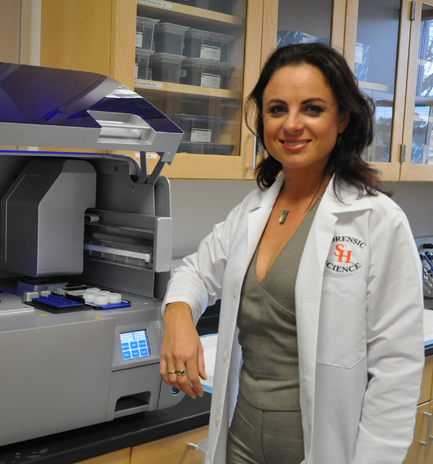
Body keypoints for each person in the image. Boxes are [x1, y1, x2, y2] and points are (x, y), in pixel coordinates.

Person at [160, 42, 424, 464]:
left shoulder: (374, 220)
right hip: (241, 442)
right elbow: (195, 270)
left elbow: (396, 369)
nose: (292, 124)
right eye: (277, 108)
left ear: (342, 118)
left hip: (324, 450)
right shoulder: (252, 210)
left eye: (313, 109)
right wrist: (177, 317)